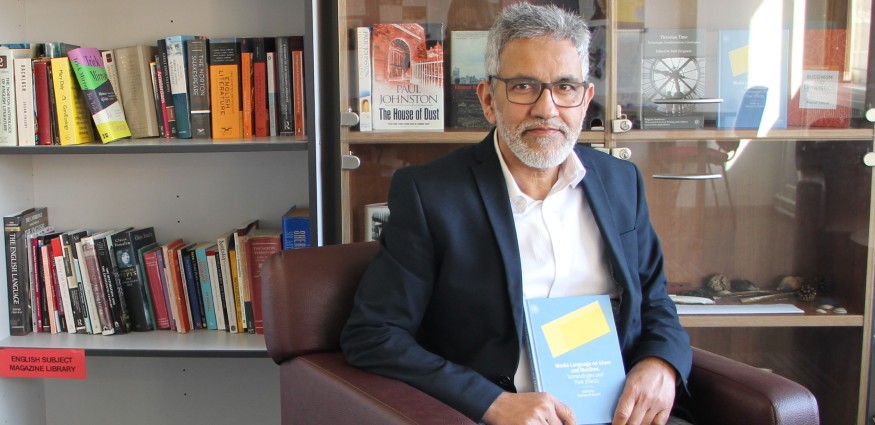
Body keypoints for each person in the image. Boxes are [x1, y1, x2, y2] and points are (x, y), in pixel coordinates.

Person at [341, 3, 692, 425]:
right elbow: (373, 334)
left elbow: (655, 302)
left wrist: (661, 363)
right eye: (525, 86)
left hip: (617, 414)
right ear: (489, 99)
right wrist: (490, 403)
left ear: (585, 100)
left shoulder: (622, 184)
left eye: (565, 87)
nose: (547, 109)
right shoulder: (431, 194)